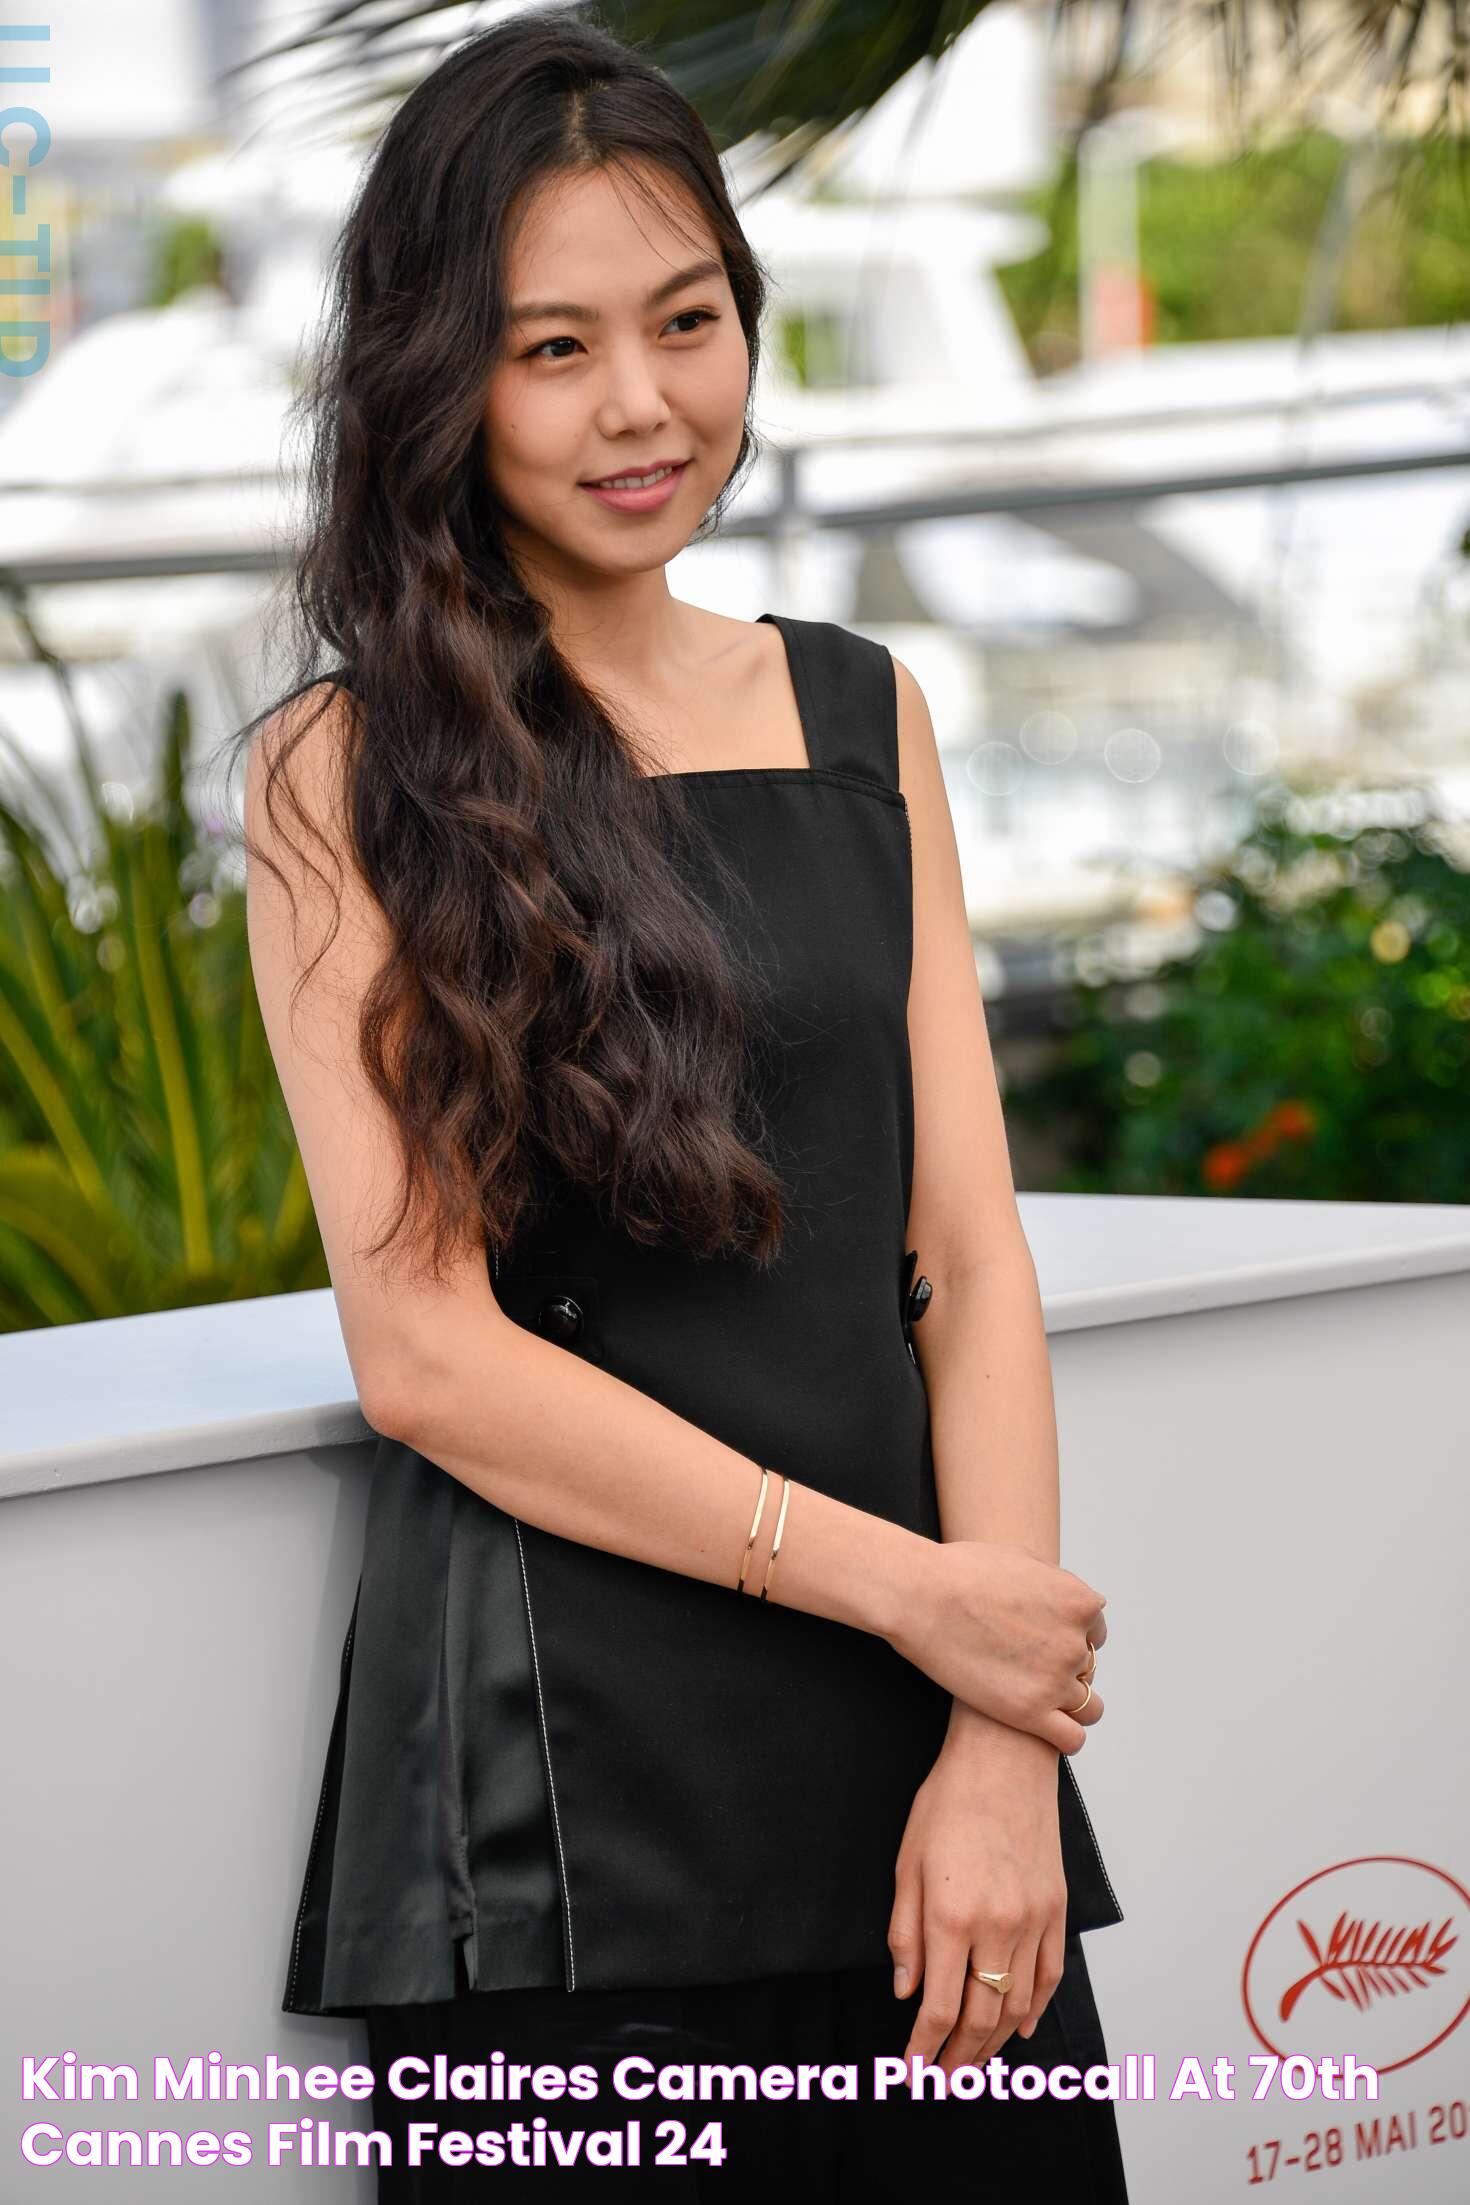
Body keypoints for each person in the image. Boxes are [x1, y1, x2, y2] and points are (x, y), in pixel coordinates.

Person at [235, 11, 1129, 2197]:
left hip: (932, 1789)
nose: (642, 404)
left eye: (687, 321)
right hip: (566, 1826)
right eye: (553, 347)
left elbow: (970, 1258)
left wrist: (998, 1730)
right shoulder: (342, 774)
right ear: (444, 378)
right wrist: (922, 1598)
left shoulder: (857, 708)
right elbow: (428, 1350)